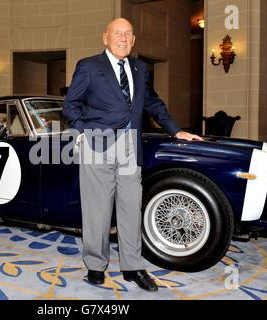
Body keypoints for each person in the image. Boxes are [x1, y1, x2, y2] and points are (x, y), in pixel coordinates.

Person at [63, 18, 202, 292]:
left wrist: (175, 130)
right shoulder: (89, 66)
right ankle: (95, 265)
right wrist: (82, 132)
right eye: (118, 33)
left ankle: (133, 267)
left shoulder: (140, 68)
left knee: (130, 208)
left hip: (130, 147)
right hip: (98, 145)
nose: (123, 38)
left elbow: (152, 102)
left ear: (134, 40)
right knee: (97, 210)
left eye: (128, 34)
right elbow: (71, 105)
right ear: (106, 37)